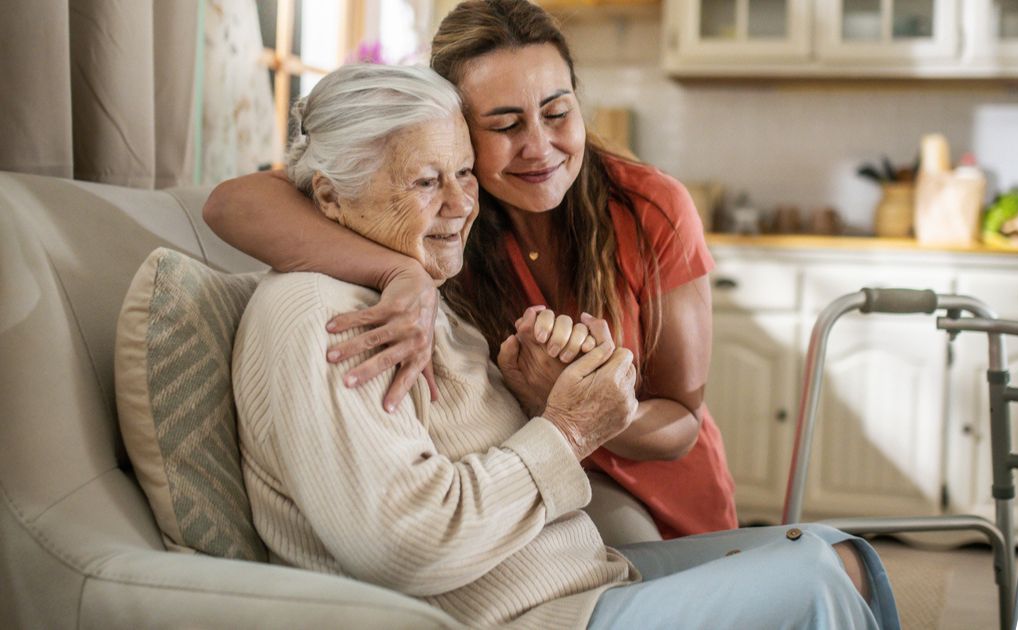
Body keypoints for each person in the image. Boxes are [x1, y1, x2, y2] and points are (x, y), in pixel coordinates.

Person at [233, 62, 899, 629]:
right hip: (530, 617)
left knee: (839, 551)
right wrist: (570, 427)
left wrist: (540, 388)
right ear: (329, 195)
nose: (462, 204)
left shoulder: (411, 290)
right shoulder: (322, 317)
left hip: (577, 580)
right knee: (817, 575)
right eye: (426, 181)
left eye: (464, 174)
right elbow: (407, 543)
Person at [205, 0, 734, 543]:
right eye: (504, 124)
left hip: (667, 499)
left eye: (557, 113)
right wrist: (399, 273)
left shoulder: (650, 207)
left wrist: (585, 408)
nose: (539, 147)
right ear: (456, 127)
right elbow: (231, 204)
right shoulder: (446, 220)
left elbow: (682, 424)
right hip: (535, 492)